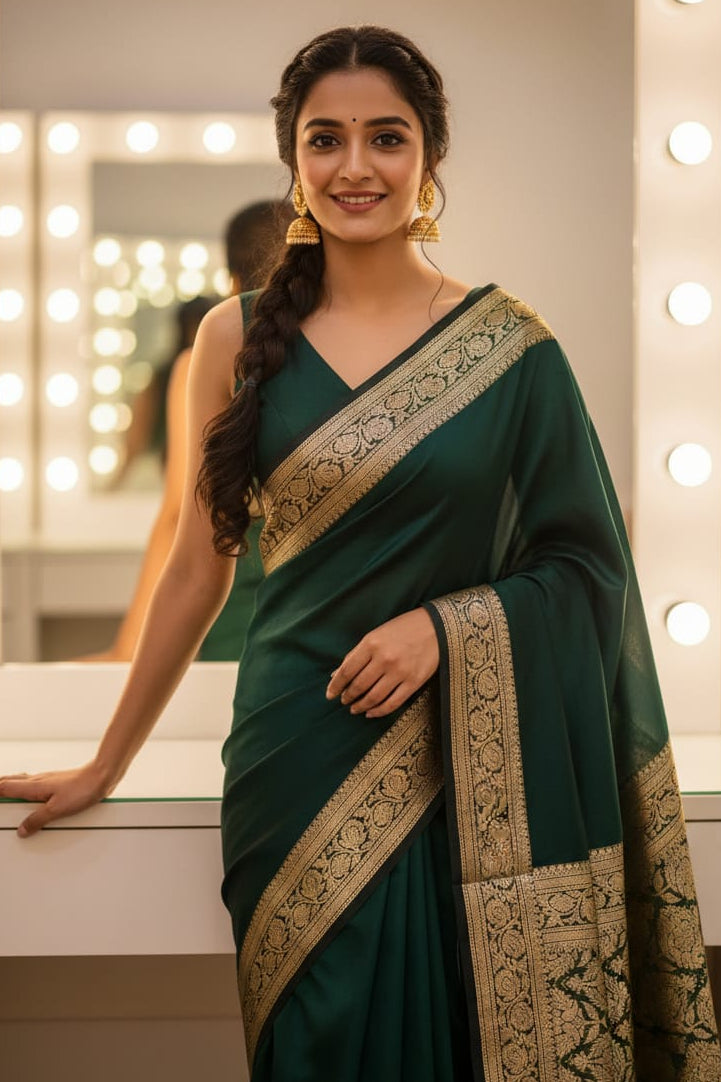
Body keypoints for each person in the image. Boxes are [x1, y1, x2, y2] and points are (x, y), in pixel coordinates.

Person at [1, 24, 719, 1082]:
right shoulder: (233, 337)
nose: (354, 166)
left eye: (385, 137)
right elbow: (199, 568)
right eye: (323, 139)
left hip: (463, 761)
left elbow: (589, 570)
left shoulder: (510, 348)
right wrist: (109, 760)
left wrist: (447, 629)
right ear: (292, 159)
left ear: (429, 155)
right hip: (296, 758)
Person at [84, 200, 293, 662]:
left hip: (219, 624)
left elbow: (179, 516)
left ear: (232, 281)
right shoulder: (342, 364)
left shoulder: (202, 365)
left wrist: (129, 647)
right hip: (311, 634)